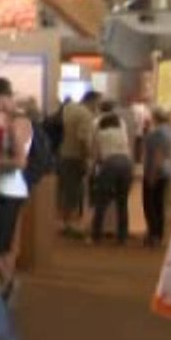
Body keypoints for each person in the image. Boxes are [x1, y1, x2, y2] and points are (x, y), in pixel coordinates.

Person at [0, 78, 32, 299]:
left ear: (2, 97)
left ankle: (10, 286)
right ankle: (6, 287)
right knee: (0, 250)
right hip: (5, 189)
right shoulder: (15, 122)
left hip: (10, 190)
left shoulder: (16, 125)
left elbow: (21, 162)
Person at [57, 91, 102, 238]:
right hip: (75, 157)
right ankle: (68, 224)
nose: (99, 106)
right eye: (98, 102)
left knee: (65, 190)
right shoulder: (85, 115)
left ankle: (64, 221)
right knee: (74, 191)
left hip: (62, 153)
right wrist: (87, 158)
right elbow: (83, 139)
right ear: (92, 101)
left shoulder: (69, 108)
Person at [89, 113, 134, 246]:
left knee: (101, 201)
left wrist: (93, 171)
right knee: (122, 202)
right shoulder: (122, 133)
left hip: (110, 163)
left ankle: (96, 235)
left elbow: (96, 155)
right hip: (126, 163)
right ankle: (122, 237)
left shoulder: (101, 133)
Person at [141, 108, 171, 247]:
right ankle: (159, 234)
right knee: (159, 204)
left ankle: (153, 234)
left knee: (150, 205)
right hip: (167, 171)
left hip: (156, 171)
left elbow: (157, 155)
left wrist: (152, 175)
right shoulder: (170, 132)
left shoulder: (156, 134)